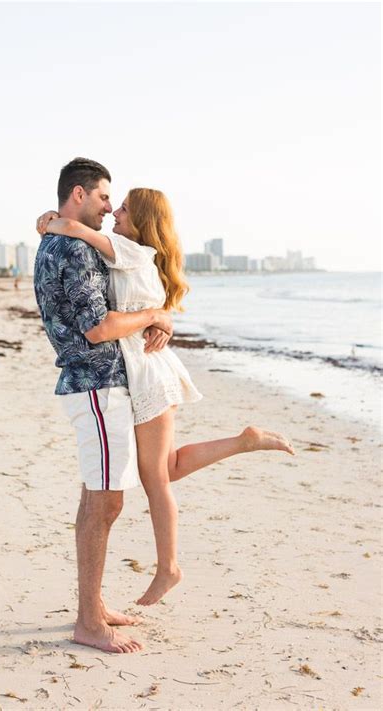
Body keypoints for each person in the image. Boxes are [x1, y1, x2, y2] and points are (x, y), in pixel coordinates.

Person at [36, 179, 295, 622]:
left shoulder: (134, 253)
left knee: (157, 478)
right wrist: (50, 223)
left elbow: (83, 236)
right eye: (109, 204)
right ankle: (243, 441)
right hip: (138, 370)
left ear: (141, 222)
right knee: (164, 468)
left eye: (122, 210)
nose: (114, 212)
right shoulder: (123, 248)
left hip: (148, 373)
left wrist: (54, 223)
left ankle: (168, 567)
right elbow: (84, 245)